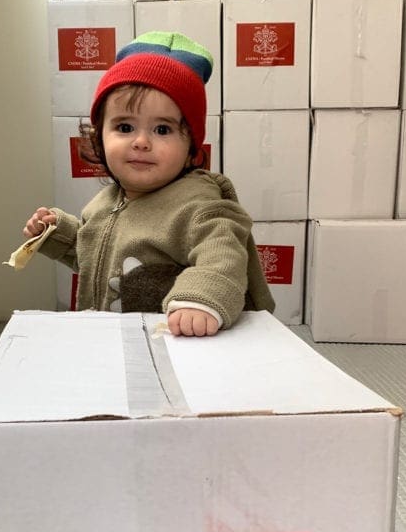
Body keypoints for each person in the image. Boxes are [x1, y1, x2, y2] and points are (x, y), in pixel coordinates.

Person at [22, 31, 274, 337]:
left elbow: (222, 254)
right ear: (99, 138)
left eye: (163, 129)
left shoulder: (200, 205)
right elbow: (99, 259)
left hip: (184, 345)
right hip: (118, 338)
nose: (141, 141)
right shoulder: (103, 204)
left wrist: (199, 300)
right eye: (125, 127)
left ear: (191, 147)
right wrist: (58, 234)